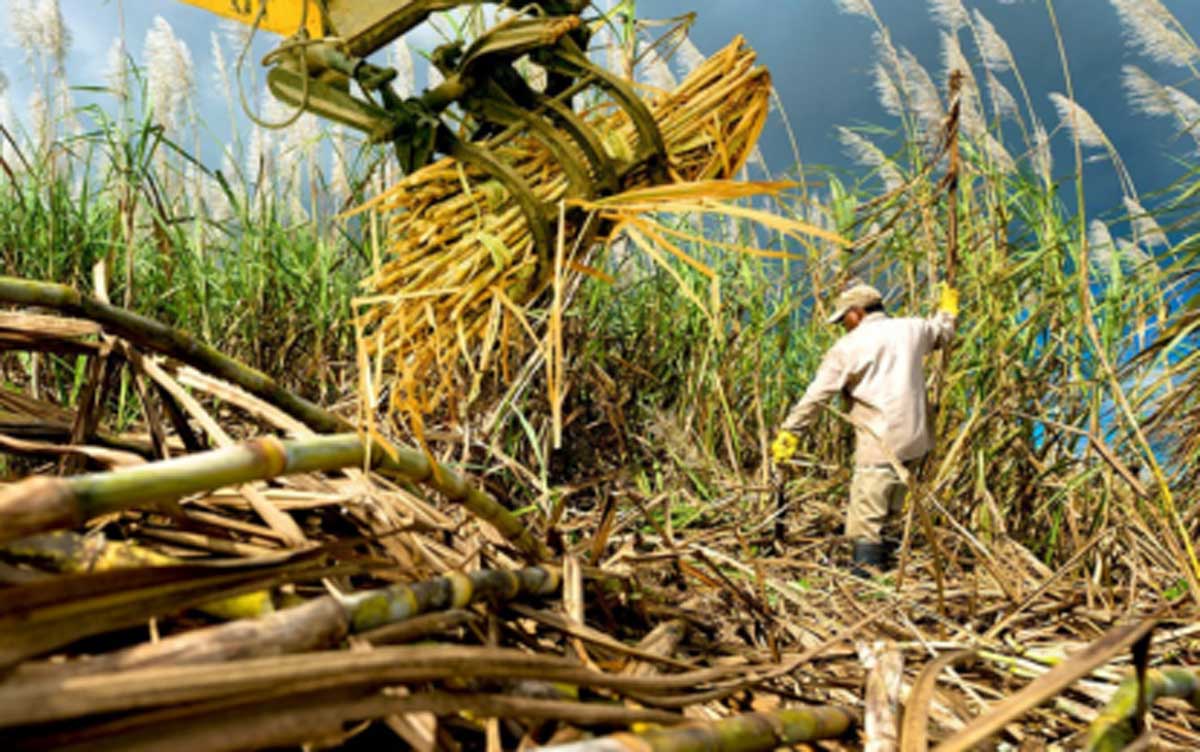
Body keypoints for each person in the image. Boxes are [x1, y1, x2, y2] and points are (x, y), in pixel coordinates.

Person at [771, 282, 959, 576]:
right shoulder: (913, 328)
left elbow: (817, 396)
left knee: (866, 523)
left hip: (879, 445)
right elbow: (943, 333)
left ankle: (866, 586)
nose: (842, 326)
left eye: (843, 318)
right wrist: (948, 309)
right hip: (916, 442)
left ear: (856, 313)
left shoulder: (848, 347)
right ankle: (892, 573)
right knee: (892, 513)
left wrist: (791, 431)